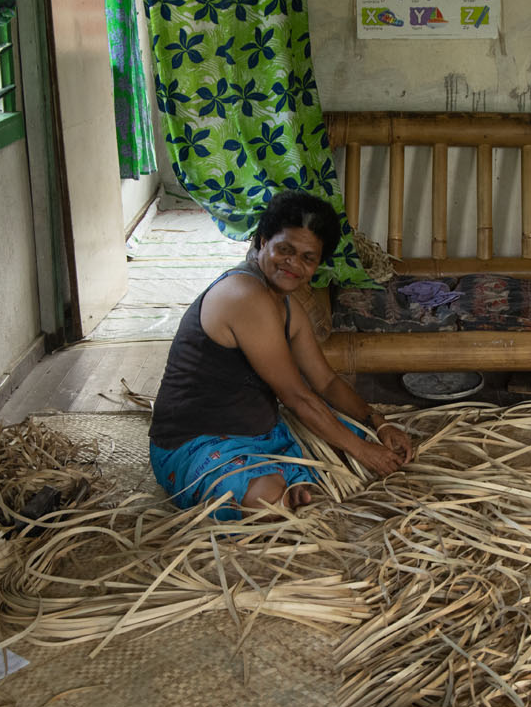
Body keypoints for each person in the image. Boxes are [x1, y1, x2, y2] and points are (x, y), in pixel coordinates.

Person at [149, 191, 416, 518]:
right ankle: (275, 490)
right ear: (263, 242)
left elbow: (327, 381)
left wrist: (378, 422)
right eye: (285, 250)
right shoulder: (244, 295)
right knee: (270, 499)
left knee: (359, 440)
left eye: (307, 258)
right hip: (195, 443)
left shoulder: (287, 306)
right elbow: (297, 397)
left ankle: (286, 483)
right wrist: (364, 452)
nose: (293, 265)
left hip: (260, 433)